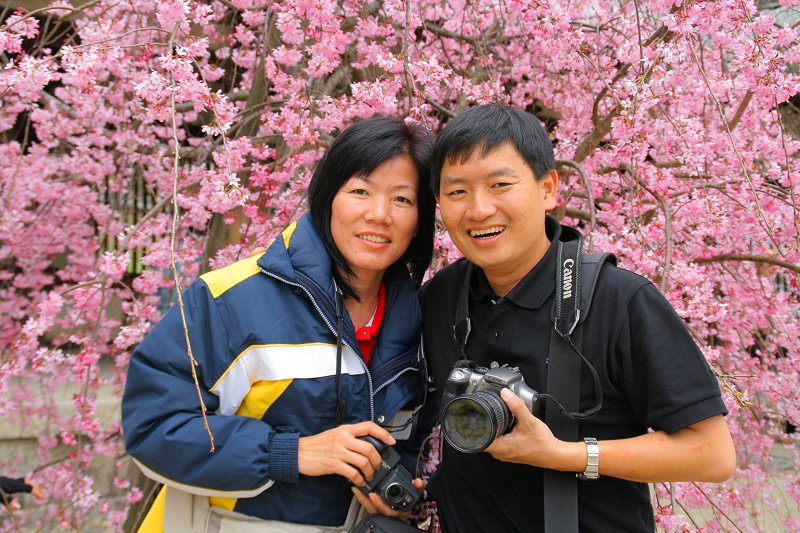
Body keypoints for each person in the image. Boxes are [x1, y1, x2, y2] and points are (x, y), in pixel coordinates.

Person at [418, 104, 736, 532]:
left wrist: (561, 454)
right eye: (457, 192)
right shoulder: (441, 298)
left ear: (548, 188)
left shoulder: (618, 299)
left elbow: (712, 453)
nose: (478, 209)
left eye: (500, 184)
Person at [122, 115, 436, 531]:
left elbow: (411, 436)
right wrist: (289, 453)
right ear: (326, 198)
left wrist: (396, 489)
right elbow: (153, 426)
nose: (379, 215)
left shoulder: (416, 317)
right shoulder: (229, 299)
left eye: (403, 200)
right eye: (360, 191)